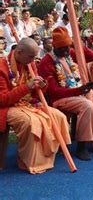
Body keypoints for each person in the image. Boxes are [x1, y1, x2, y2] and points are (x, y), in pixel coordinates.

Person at [38, 27, 93, 160]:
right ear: (54, 47)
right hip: (62, 98)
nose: (66, 51)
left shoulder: (72, 52)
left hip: (82, 92)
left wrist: (78, 44)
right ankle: (81, 146)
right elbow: (54, 91)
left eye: (67, 47)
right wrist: (80, 90)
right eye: (62, 49)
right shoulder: (46, 62)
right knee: (87, 105)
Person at [0, 38, 70, 174]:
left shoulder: (30, 64)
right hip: (7, 107)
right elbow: (2, 99)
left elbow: (36, 93)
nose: (33, 61)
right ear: (19, 52)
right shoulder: (2, 67)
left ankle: (47, 157)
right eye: (31, 57)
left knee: (58, 116)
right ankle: (28, 162)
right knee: (31, 123)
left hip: (28, 103)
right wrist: (27, 86)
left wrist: (42, 86)